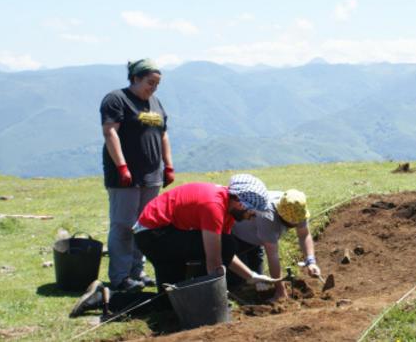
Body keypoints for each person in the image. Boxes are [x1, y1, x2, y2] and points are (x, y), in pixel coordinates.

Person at [69, 174, 279, 317]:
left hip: (165, 235)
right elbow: (215, 259)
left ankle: (104, 297)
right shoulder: (213, 206)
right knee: (176, 299)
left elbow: (224, 253)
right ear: (241, 202)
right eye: (253, 211)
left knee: (170, 302)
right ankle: (104, 298)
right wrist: (218, 302)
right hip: (154, 236)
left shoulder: (227, 208)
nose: (252, 217)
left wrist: (251, 276)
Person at [100, 58, 175, 293]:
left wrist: (168, 165)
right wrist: (122, 166)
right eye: (149, 82)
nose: (153, 88)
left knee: (144, 225)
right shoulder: (116, 99)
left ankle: (137, 271)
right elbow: (110, 131)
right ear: (135, 78)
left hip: (152, 175)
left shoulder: (155, 103)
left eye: (156, 84)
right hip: (126, 177)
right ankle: (120, 277)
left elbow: (163, 135)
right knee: (123, 225)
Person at [229, 189, 321, 302]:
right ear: (282, 216)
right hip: (238, 235)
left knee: (259, 281)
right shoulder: (268, 216)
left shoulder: (297, 207)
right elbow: (272, 255)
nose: (298, 224)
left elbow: (304, 234)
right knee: (240, 282)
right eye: (294, 223)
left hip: (257, 240)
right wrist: (280, 291)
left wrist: (311, 262)